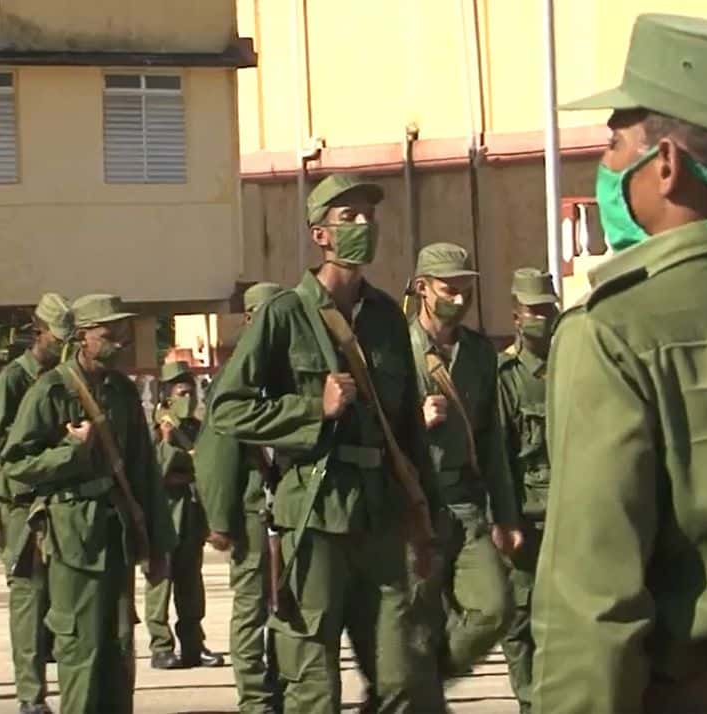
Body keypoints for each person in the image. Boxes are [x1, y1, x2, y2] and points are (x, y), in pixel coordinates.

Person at [532, 14, 707, 714]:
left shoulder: (615, 331)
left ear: (669, 166)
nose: (609, 164)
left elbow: (594, 600)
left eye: (617, 142)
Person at [210, 174, 445, 714]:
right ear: (320, 235)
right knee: (313, 685)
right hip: (313, 517)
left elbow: (405, 426)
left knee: (402, 676)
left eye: (369, 216)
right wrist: (311, 409)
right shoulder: (284, 315)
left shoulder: (388, 317)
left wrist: (424, 515)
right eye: (350, 218)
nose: (365, 226)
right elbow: (227, 407)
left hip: (379, 516)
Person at [1, 293, 176, 714]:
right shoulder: (51, 389)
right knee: (81, 647)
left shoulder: (121, 391)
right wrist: (70, 450)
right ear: (83, 337)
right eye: (108, 333)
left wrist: (158, 543)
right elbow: (15, 464)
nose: (120, 340)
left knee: (118, 649)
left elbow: (143, 472)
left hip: (116, 531)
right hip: (72, 536)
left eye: (122, 331)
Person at [406, 242, 522, 679]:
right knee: (415, 623)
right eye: (448, 289)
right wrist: (415, 421)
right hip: (414, 507)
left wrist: (505, 516)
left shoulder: (478, 353)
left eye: (465, 289)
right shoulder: (397, 350)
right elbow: (371, 431)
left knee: (494, 607)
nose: (459, 298)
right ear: (422, 288)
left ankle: (426, 682)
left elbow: (493, 441)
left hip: (467, 506)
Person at [196, 281, 284, 714]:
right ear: (249, 320)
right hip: (252, 507)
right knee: (251, 604)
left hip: (291, 506)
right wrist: (219, 520)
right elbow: (215, 457)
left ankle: (285, 684)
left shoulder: (289, 374)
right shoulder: (232, 381)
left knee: (290, 604)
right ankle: (255, 695)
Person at [0, 292, 73, 714]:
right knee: (28, 598)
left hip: (60, 499)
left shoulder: (67, 377)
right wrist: (58, 441)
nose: (64, 345)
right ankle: (30, 696)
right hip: (21, 503)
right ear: (39, 334)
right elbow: (0, 445)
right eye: (59, 338)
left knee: (64, 598)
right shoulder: (15, 379)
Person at [494, 268, 558, 714]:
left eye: (546, 309)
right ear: (516, 315)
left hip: (569, 515)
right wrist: (504, 517)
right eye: (532, 310)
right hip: (525, 515)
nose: (540, 318)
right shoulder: (506, 376)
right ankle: (530, 702)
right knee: (519, 619)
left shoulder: (573, 364)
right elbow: (497, 454)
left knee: (563, 619)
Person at [145, 361, 223, 670]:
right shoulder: (154, 427)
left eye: (190, 390)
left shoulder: (194, 428)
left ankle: (194, 644)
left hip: (191, 514)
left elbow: (206, 466)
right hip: (164, 513)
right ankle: (161, 647)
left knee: (191, 584)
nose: (186, 397)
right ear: (166, 393)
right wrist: (166, 443)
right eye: (180, 391)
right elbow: (155, 472)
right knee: (160, 583)